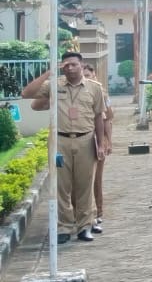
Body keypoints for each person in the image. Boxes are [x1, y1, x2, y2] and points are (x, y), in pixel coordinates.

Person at [24, 51, 106, 244]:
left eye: (73, 64)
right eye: (66, 65)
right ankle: (64, 227)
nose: (69, 68)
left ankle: (84, 226)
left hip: (85, 139)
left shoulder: (94, 88)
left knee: (84, 185)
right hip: (60, 140)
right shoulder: (54, 85)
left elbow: (99, 117)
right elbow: (26, 93)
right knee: (61, 186)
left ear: (81, 65)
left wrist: (101, 143)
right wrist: (49, 73)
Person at [83, 62, 110, 234]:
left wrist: (107, 142)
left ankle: (98, 211)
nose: (86, 77)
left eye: (88, 74)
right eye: (83, 74)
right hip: (82, 138)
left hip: (97, 137)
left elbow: (107, 119)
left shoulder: (100, 92)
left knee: (96, 179)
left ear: (94, 75)